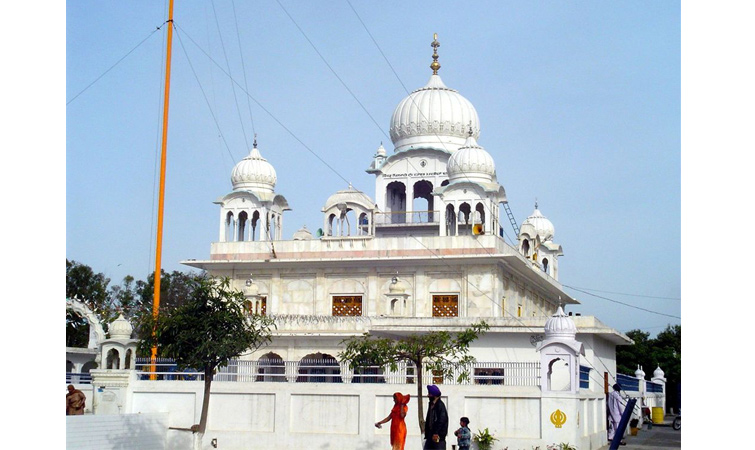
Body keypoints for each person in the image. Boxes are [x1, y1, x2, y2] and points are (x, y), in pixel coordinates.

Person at [423, 385, 448, 450]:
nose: (428, 395)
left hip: (438, 437)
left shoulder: (440, 405)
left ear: (434, 395)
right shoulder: (431, 404)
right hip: (430, 435)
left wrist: (436, 433)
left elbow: (442, 420)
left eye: (429, 394)